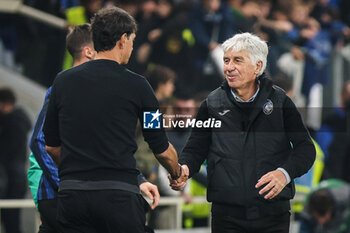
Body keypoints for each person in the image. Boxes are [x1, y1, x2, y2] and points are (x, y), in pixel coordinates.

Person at [43, 7, 187, 233]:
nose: (132, 46)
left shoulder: (62, 82)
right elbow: (160, 148)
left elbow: (51, 146)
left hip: (72, 198)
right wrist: (177, 173)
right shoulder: (139, 86)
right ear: (123, 39)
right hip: (118, 199)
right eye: (132, 40)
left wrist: (79, 172)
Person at [169, 32, 316, 233]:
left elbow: (306, 149)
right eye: (226, 60)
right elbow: (195, 149)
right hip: (226, 217)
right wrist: (184, 168)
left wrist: (285, 173)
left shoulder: (281, 102)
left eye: (237, 60)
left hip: (273, 215)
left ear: (258, 66)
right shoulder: (211, 104)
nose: (229, 67)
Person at [0, 87, 31, 233]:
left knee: (10, 221)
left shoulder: (9, 123)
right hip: (18, 179)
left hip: (8, 179)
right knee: (13, 222)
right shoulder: (21, 121)